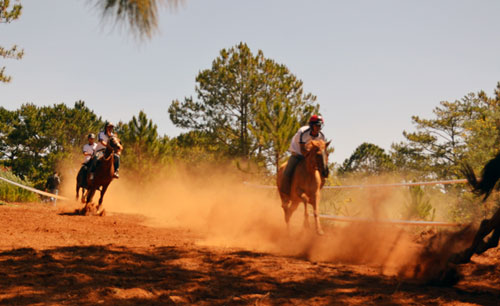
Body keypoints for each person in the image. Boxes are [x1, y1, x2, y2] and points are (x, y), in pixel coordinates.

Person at [279, 115, 326, 196]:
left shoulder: (321, 136)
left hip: (311, 156)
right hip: (298, 153)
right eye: (316, 125)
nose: (318, 127)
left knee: (324, 173)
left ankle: (315, 192)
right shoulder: (303, 132)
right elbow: (302, 150)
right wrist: (311, 157)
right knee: (287, 172)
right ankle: (285, 194)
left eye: (320, 125)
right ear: (311, 125)